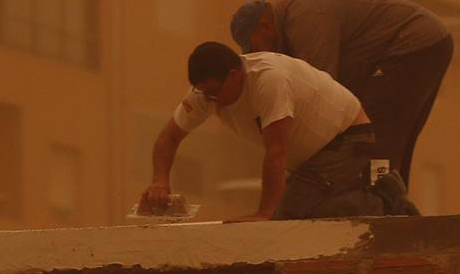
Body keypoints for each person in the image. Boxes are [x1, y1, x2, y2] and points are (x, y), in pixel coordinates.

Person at [140, 42, 412, 222]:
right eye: (205, 94)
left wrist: (264, 213)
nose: (213, 101)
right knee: (302, 213)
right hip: (310, 159)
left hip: (347, 137)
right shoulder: (205, 93)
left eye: (216, 92)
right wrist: (159, 182)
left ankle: (384, 200)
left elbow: (276, 151)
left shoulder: (268, 81)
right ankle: (374, 196)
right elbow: (168, 138)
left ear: (235, 74)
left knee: (291, 213)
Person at [230, 0, 451, 189]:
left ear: (265, 26)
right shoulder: (293, 23)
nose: (262, 55)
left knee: (375, 131)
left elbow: (321, 93)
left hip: (411, 41)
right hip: (427, 40)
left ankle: (380, 203)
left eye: (257, 47)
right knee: (392, 136)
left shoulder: (305, 21)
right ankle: (390, 201)